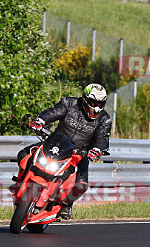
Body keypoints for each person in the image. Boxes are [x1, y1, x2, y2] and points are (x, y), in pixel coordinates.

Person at [18, 83, 111, 220]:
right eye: (93, 102)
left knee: (81, 185)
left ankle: (66, 204)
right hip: (55, 144)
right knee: (24, 154)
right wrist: (40, 121)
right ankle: (21, 182)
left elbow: (103, 137)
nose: (97, 107)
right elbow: (52, 112)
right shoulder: (69, 103)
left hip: (80, 153)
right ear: (85, 99)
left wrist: (97, 150)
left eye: (100, 103)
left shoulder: (104, 118)